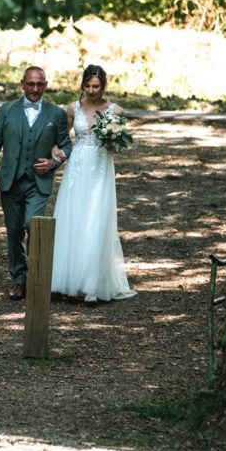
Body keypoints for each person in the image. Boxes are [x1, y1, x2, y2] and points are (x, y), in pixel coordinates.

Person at [0, 66, 73, 300]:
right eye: (31, 84)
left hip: (38, 183)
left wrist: (54, 162)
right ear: (23, 84)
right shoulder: (7, 110)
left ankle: (37, 277)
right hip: (10, 182)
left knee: (33, 225)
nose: (35, 89)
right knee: (14, 231)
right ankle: (19, 279)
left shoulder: (56, 113)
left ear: (46, 85)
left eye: (39, 85)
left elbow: (67, 145)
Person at [50, 64, 137, 304]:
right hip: (77, 169)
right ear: (82, 85)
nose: (91, 90)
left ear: (104, 86)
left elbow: (119, 145)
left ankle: (92, 285)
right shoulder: (73, 109)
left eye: (96, 86)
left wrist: (112, 140)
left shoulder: (116, 111)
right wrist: (55, 149)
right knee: (73, 218)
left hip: (100, 169)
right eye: (87, 86)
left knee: (95, 221)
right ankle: (64, 280)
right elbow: (61, 137)